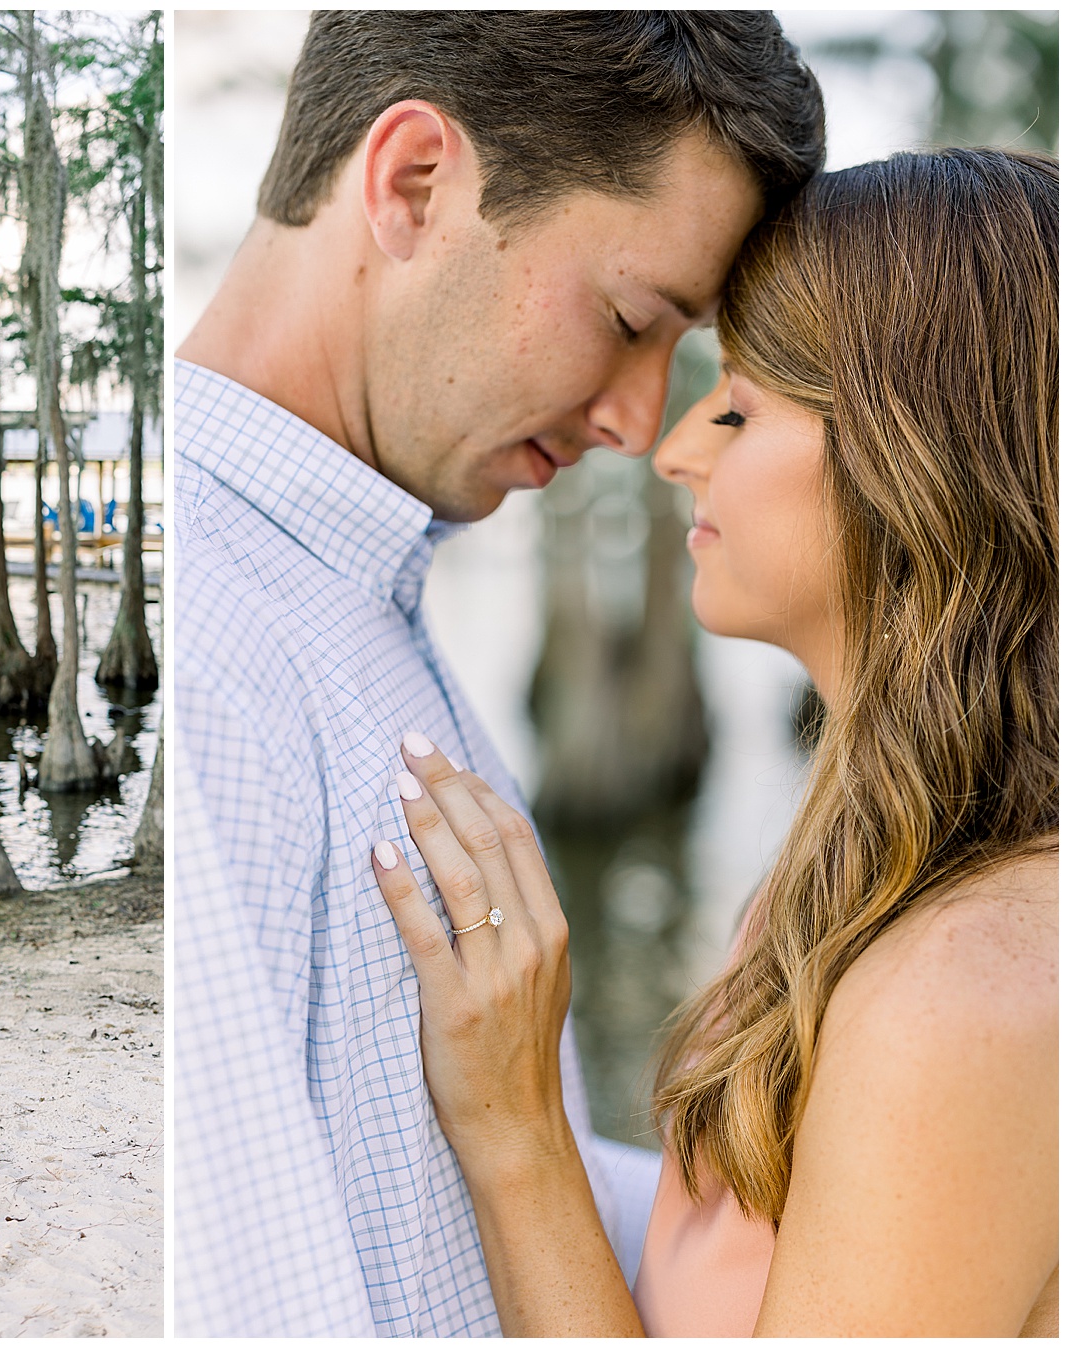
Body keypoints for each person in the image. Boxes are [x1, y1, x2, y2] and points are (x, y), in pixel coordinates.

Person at [172, 11, 824, 1336]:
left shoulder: (360, 604)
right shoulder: (210, 660)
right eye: (631, 319)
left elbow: (411, 1223)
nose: (640, 423)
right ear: (415, 182)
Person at [373, 148, 1057, 1335]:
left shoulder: (960, 991)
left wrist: (518, 1128)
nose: (677, 447)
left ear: (915, 459)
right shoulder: (855, 886)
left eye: (738, 405)